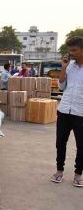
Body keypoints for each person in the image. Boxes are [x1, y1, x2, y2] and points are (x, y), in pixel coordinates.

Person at [51, 36, 83, 187]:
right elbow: (62, 87)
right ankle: (59, 171)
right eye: (70, 50)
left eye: (74, 50)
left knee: (81, 145)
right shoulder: (69, 66)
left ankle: (78, 175)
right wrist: (63, 67)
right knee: (60, 143)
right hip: (64, 110)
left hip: (81, 113)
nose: (71, 53)